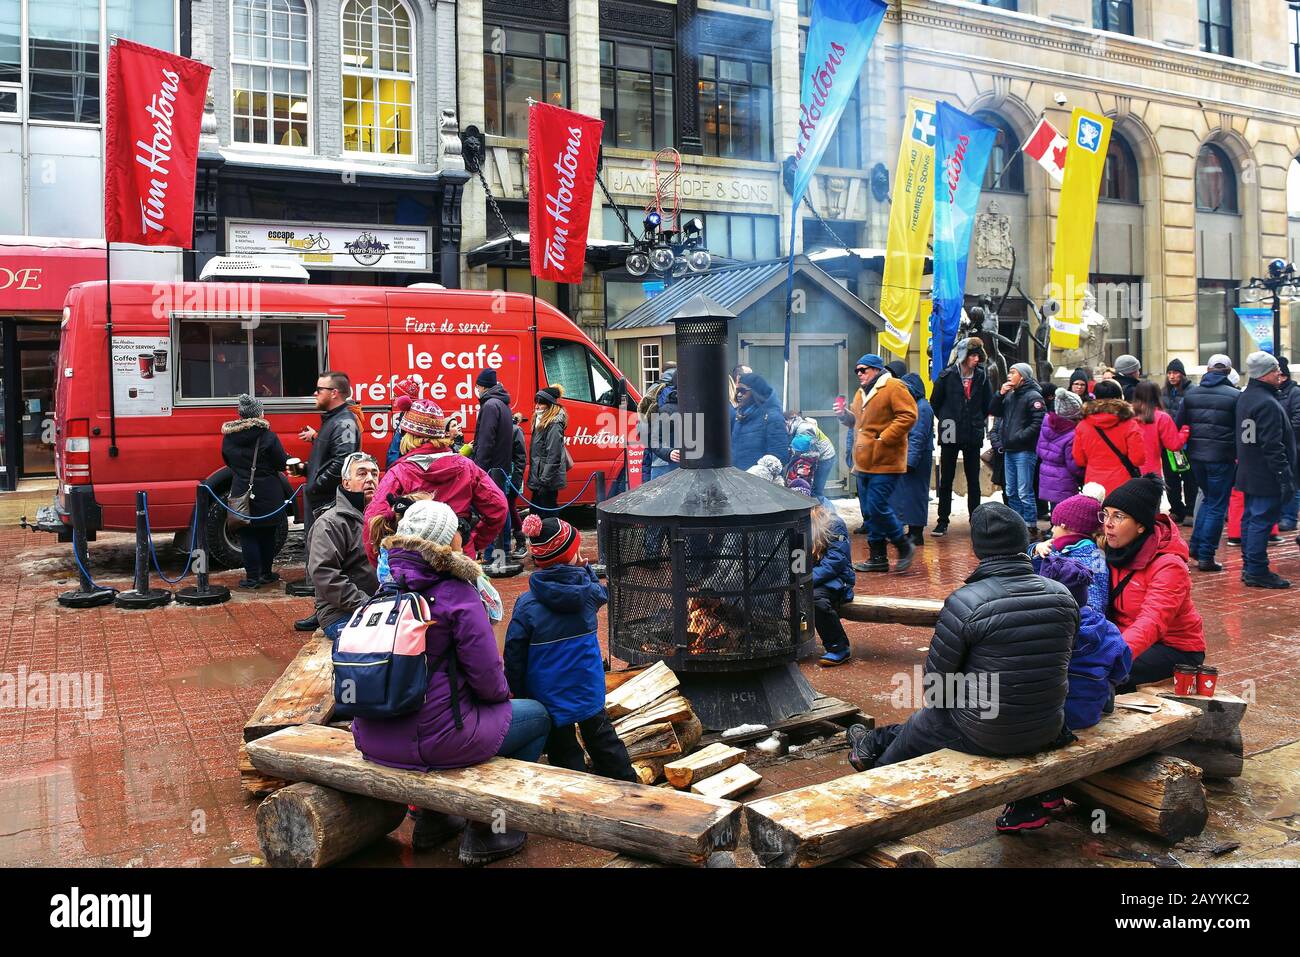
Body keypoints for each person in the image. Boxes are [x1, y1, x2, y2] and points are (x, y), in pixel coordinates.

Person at [350, 499, 549, 864]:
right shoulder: (458, 594)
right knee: (535, 717)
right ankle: (489, 829)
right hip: (437, 743)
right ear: (447, 542)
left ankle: (433, 819)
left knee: (443, 713)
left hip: (371, 736)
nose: (463, 534)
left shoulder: (385, 587)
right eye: (458, 528)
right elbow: (490, 681)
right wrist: (504, 696)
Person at [844, 503, 1076, 784]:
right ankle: (871, 742)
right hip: (1047, 726)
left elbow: (937, 688)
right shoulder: (1063, 595)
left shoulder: (966, 602)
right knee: (940, 717)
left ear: (978, 550)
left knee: (929, 719)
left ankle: (875, 777)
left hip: (990, 735)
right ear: (1023, 541)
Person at [996, 551, 1132, 833]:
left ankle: (1024, 805)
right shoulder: (1105, 628)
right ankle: (1050, 794)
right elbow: (1122, 668)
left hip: (1055, 716)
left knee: (1019, 730)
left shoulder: (1044, 629)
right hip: (1091, 711)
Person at [504, 514, 637, 782]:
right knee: (605, 742)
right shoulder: (588, 594)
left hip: (548, 697)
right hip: (588, 690)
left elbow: (514, 656)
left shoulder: (527, 604)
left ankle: (574, 798)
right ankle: (629, 788)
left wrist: (520, 692)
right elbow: (602, 593)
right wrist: (586, 571)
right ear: (573, 554)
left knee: (564, 754)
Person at [363, 399, 508, 564]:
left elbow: (373, 522)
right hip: (459, 556)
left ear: (409, 435)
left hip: (416, 561)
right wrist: (472, 541)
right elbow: (498, 507)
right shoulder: (467, 467)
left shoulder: (399, 473)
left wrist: (383, 563)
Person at [1099, 475, 1207, 689]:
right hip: (1125, 638)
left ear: (1141, 526)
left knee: (1100, 672)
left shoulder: (1168, 565)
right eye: (1105, 515)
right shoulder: (1112, 550)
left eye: (1118, 516)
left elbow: (1153, 621)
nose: (1108, 524)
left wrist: (1112, 652)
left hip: (1174, 649)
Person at [295, 370, 363, 631]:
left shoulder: (344, 422)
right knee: (319, 556)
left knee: (329, 559)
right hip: (322, 501)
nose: (315, 393)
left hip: (329, 504)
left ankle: (331, 612)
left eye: (319, 389)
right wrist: (306, 469)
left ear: (334, 393)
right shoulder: (333, 420)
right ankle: (322, 609)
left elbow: (341, 463)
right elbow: (329, 459)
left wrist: (314, 484)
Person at [838, 355, 918, 574]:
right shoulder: (860, 392)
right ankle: (878, 557)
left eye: (863, 370)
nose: (859, 374)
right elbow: (857, 421)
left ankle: (903, 545)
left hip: (886, 460)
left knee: (876, 506)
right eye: (857, 371)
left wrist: (884, 437)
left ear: (875, 369)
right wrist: (844, 416)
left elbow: (908, 415)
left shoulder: (893, 386)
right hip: (863, 462)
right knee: (869, 512)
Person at [1235, 352, 1297, 588]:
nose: (1280, 376)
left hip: (1251, 470)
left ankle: (1250, 565)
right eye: (1276, 372)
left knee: (1252, 519)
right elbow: (1272, 444)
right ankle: (1256, 569)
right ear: (1265, 374)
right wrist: (1284, 476)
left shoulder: (1247, 397)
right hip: (1265, 473)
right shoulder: (1266, 402)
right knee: (1260, 520)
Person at [308, 452, 381, 640]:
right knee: (387, 640)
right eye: (362, 473)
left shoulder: (381, 518)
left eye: (374, 474)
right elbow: (325, 574)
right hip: (341, 613)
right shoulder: (330, 523)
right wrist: (367, 604)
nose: (370, 479)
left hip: (378, 606)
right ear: (346, 482)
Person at [1175, 354, 1238, 571]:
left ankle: (1196, 546)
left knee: (1209, 500)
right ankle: (1206, 555)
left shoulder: (1191, 395)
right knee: (1217, 505)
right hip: (1223, 457)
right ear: (1228, 372)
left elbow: (1179, 424)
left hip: (1197, 456)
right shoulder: (1234, 395)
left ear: (1208, 370)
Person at [221, 393, 290, 588]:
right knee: (267, 534)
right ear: (258, 413)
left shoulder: (229, 437)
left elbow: (227, 461)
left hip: (241, 491)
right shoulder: (268, 436)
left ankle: (252, 578)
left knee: (247, 535)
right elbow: (280, 462)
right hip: (268, 492)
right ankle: (266, 574)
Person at [787, 479, 856, 667]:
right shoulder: (794, 522)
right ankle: (789, 642)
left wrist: (806, 580)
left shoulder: (832, 522)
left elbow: (836, 561)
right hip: (806, 577)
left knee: (815, 599)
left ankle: (838, 647)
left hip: (835, 579)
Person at [931, 337, 993, 537]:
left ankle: (975, 520)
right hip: (950, 430)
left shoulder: (982, 377)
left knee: (973, 478)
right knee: (946, 478)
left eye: (978, 355)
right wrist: (948, 418)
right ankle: (942, 521)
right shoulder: (946, 375)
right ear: (964, 356)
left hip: (972, 432)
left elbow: (987, 404)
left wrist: (975, 419)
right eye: (973, 355)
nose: (976, 359)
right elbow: (935, 402)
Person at [1031, 483, 1109, 614]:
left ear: (1066, 526)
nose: (1052, 530)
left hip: (1073, 624)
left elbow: (1094, 605)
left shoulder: (1093, 559)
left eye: (1055, 525)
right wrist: (1036, 548)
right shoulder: (1062, 548)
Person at [989, 363, 1046, 539]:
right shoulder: (1010, 395)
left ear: (1023, 376)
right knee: (1011, 491)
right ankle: (1017, 524)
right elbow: (993, 410)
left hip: (1024, 450)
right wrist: (1000, 394)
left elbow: (1038, 423)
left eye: (1013, 372)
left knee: (1024, 491)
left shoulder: (1033, 396)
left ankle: (1030, 526)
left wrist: (1019, 437)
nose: (1009, 375)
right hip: (1009, 450)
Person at [471, 368, 515, 565]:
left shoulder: (489, 406)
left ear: (482, 386)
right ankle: (504, 550)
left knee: (492, 510)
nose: (476, 390)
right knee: (502, 507)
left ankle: (493, 555)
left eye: (478, 386)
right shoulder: (503, 404)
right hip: (502, 467)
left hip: (491, 468)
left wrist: (478, 468)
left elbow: (486, 439)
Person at [1072, 379, 1145, 496]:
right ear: (1119, 397)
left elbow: (1079, 459)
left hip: (1093, 485)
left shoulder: (1083, 425)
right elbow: (1138, 459)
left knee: (1096, 514)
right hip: (1123, 483)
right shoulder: (1129, 424)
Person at [888, 372, 934, 546]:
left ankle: (916, 534)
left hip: (916, 459)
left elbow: (917, 437)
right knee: (910, 496)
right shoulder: (917, 405)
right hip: (912, 457)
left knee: (915, 497)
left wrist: (910, 461)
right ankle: (913, 532)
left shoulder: (921, 408)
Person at [1035, 388, 1085, 514]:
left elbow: (1039, 449)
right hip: (1065, 479)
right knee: (1066, 514)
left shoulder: (1047, 421)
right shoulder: (1072, 433)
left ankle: (1053, 531)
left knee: (1055, 511)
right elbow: (1073, 464)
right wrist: (1083, 475)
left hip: (1046, 473)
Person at [1132, 380, 1189, 485]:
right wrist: (1185, 430)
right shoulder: (1162, 417)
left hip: (1128, 471)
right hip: (1151, 473)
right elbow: (1174, 445)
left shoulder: (1126, 416)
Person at [1160, 360, 1197, 525]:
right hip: (1167, 443)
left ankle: (1190, 510)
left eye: (1175, 373)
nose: (1172, 376)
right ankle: (1176, 509)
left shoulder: (1192, 392)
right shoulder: (1163, 393)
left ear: (1182, 374)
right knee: (1170, 478)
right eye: (1169, 373)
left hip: (1187, 442)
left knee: (1189, 478)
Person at [731, 372, 789, 470]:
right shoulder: (739, 416)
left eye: (743, 391)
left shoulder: (772, 417)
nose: (739, 394)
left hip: (759, 482)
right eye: (737, 391)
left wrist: (758, 474)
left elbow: (779, 457)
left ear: (755, 393)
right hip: (737, 479)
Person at [528, 386, 570, 513]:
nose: (537, 406)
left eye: (541, 403)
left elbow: (554, 455)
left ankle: (555, 533)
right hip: (540, 479)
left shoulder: (554, 424)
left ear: (550, 405)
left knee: (547, 515)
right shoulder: (540, 420)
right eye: (536, 402)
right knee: (537, 513)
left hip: (546, 481)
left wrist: (544, 482)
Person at [785, 411, 838, 499]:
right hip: (818, 456)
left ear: (790, 420)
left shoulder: (804, 429)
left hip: (825, 458)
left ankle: (827, 512)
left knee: (816, 492)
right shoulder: (798, 427)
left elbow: (802, 455)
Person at [1276, 357, 1300, 533]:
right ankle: (1282, 515)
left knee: (1293, 482)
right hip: (1280, 445)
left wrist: (1284, 434)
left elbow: (1297, 419)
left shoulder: (1294, 393)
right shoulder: (1274, 393)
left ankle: (1290, 517)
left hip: (1294, 446)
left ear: (1283, 376)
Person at [647, 367, 680, 480]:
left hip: (665, 464)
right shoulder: (667, 410)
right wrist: (669, 453)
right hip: (665, 466)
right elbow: (654, 440)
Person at [508, 412, 529, 558]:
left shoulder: (515, 430)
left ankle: (521, 541)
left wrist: (516, 478)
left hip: (511, 474)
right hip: (500, 474)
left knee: (510, 506)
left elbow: (521, 457)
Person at [386, 377, 420, 468]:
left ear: (404, 399)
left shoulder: (412, 421)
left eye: (395, 395)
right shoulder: (404, 415)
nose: (392, 398)